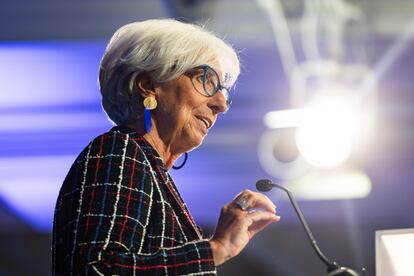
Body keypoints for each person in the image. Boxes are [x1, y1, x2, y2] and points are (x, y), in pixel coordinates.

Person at [52, 19, 280, 275]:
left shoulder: (144, 165)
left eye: (223, 91)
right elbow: (98, 270)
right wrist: (216, 248)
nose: (221, 105)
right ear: (149, 84)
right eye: (205, 79)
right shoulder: (119, 151)